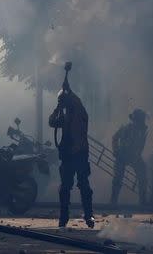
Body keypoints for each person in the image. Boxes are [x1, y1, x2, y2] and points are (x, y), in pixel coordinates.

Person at [49, 87, 95, 228]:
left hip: (80, 154)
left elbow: (76, 102)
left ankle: (89, 216)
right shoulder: (65, 115)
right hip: (68, 155)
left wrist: (68, 93)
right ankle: (64, 217)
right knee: (65, 188)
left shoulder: (80, 112)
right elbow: (52, 122)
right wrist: (57, 108)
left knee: (84, 187)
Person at [110, 108, 148, 206]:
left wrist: (137, 154)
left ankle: (142, 201)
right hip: (122, 154)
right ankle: (113, 201)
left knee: (143, 175)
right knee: (118, 177)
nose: (140, 122)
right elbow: (115, 138)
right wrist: (116, 150)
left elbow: (141, 145)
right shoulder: (126, 128)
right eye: (139, 120)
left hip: (134, 156)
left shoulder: (143, 130)